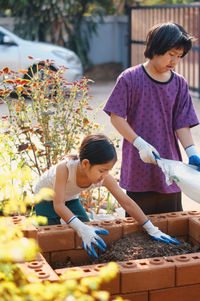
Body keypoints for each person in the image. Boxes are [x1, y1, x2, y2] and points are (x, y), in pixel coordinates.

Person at [103, 22, 200, 216]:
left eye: (179, 56)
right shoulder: (130, 78)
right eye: (171, 54)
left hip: (170, 166)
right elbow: (116, 116)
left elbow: (182, 123)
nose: (175, 61)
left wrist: (191, 153)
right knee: (138, 224)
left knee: (172, 221)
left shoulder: (179, 83)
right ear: (155, 48)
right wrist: (140, 144)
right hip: (139, 165)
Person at [34, 133, 179, 258]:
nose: (104, 175)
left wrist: (151, 228)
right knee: (48, 236)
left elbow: (127, 203)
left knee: (89, 230)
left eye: (108, 171)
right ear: (85, 163)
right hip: (45, 198)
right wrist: (81, 228)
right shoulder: (64, 168)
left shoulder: (103, 177)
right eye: (102, 170)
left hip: (70, 198)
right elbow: (58, 205)